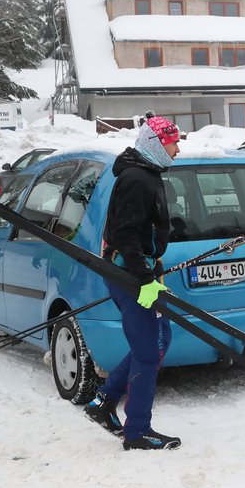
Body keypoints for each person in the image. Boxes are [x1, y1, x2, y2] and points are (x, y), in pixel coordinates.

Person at [84, 113, 182, 451]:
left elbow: (140, 226)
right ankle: (138, 430)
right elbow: (125, 234)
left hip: (141, 272)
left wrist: (164, 234)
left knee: (160, 338)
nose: (178, 150)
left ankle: (103, 401)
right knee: (148, 349)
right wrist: (144, 279)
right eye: (173, 143)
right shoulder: (137, 179)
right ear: (156, 144)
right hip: (131, 275)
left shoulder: (148, 174)